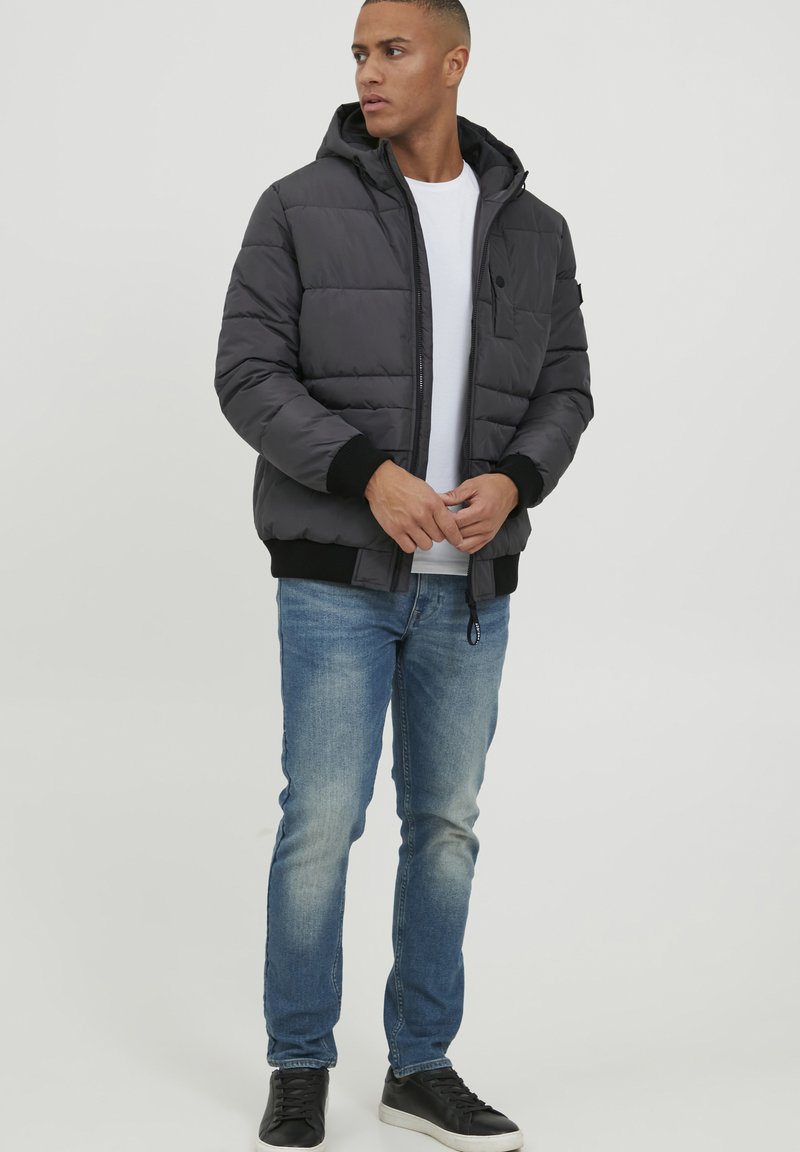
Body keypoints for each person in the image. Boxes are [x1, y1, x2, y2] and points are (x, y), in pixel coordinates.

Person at [214, 1, 593, 1148]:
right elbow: (246, 372)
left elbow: (565, 388)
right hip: (335, 579)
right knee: (321, 823)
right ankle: (298, 1063)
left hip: (466, 591)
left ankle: (419, 1066)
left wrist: (516, 481)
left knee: (444, 827)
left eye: (392, 51)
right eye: (358, 54)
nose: (368, 73)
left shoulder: (533, 229)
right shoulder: (297, 207)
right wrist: (365, 474)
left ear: (453, 62)